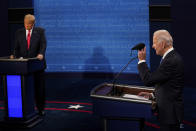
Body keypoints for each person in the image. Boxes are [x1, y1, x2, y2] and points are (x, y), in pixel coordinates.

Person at [137, 30, 184, 131]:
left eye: (154, 43)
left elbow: (148, 80)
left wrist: (141, 60)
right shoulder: (170, 57)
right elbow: (167, 85)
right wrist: (152, 95)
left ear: (162, 44)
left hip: (170, 115)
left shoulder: (171, 60)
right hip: (169, 113)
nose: (153, 46)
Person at [10, 14, 47, 116]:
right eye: (25, 24)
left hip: (37, 65)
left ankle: (41, 109)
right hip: (23, 67)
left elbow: (43, 45)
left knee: (39, 89)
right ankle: (26, 109)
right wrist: (14, 55)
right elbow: (16, 47)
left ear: (33, 23)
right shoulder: (19, 32)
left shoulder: (40, 32)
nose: (27, 26)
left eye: (29, 24)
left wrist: (41, 54)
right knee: (25, 89)